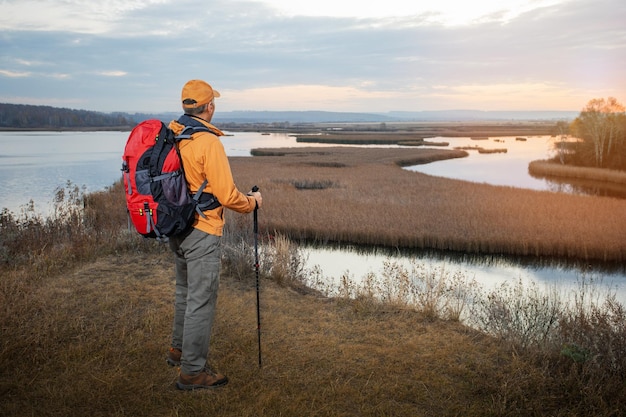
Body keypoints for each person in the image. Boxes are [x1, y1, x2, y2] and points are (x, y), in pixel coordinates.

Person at [165, 79, 262, 390]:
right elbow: (227, 195)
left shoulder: (174, 133)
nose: (214, 107)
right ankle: (192, 372)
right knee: (200, 300)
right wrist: (252, 203)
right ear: (209, 107)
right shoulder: (208, 143)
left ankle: (178, 350)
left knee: (184, 291)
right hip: (203, 229)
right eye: (213, 103)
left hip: (176, 226)